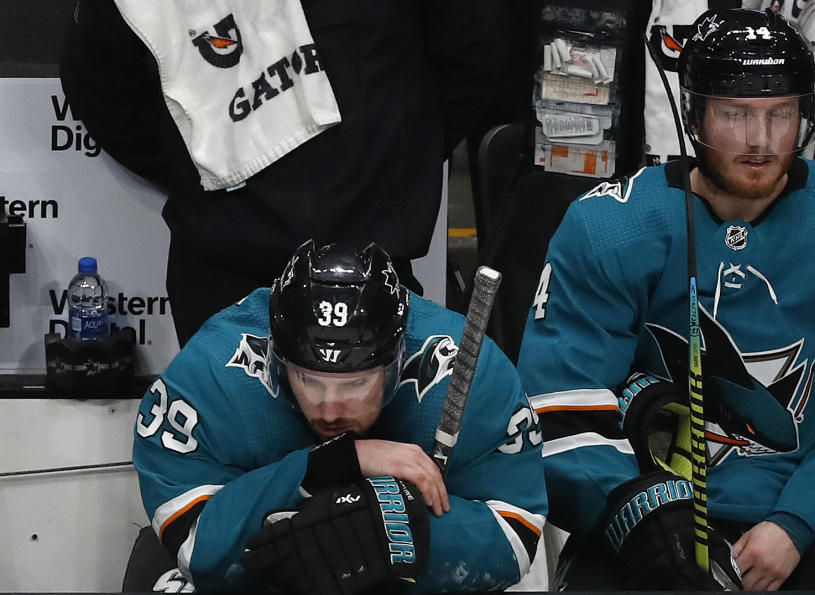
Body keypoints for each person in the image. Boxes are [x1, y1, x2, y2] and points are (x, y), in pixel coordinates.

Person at [517, 8, 815, 595]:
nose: (759, 139)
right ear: (693, 115)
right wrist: (632, 511)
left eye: (779, 114)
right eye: (735, 114)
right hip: (646, 520)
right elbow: (562, 405)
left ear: (805, 116)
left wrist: (796, 525)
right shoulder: (608, 228)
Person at [59, 0, 504, 346]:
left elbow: (474, 54)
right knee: (233, 456)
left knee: (373, 456)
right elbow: (101, 84)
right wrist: (198, 164)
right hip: (225, 269)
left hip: (369, 259)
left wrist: (399, 163)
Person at [131, 240, 546, 595]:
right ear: (277, 358)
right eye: (308, 380)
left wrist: (399, 536)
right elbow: (192, 541)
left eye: (356, 383)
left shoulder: (466, 371)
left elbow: (517, 531)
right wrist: (332, 463)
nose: (330, 410)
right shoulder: (212, 374)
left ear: (398, 359)